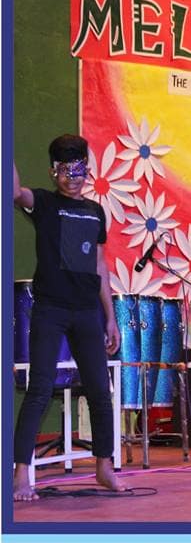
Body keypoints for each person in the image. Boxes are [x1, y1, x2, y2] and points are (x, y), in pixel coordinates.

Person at [12, 135, 126, 501]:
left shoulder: (95, 211)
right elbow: (14, 192)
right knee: (39, 389)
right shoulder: (43, 203)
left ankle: (104, 467)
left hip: (87, 311)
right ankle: (20, 474)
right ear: (53, 172)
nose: (72, 177)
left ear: (87, 171)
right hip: (50, 309)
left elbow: (100, 265)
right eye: (64, 170)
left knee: (100, 391)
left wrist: (110, 318)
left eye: (78, 170)